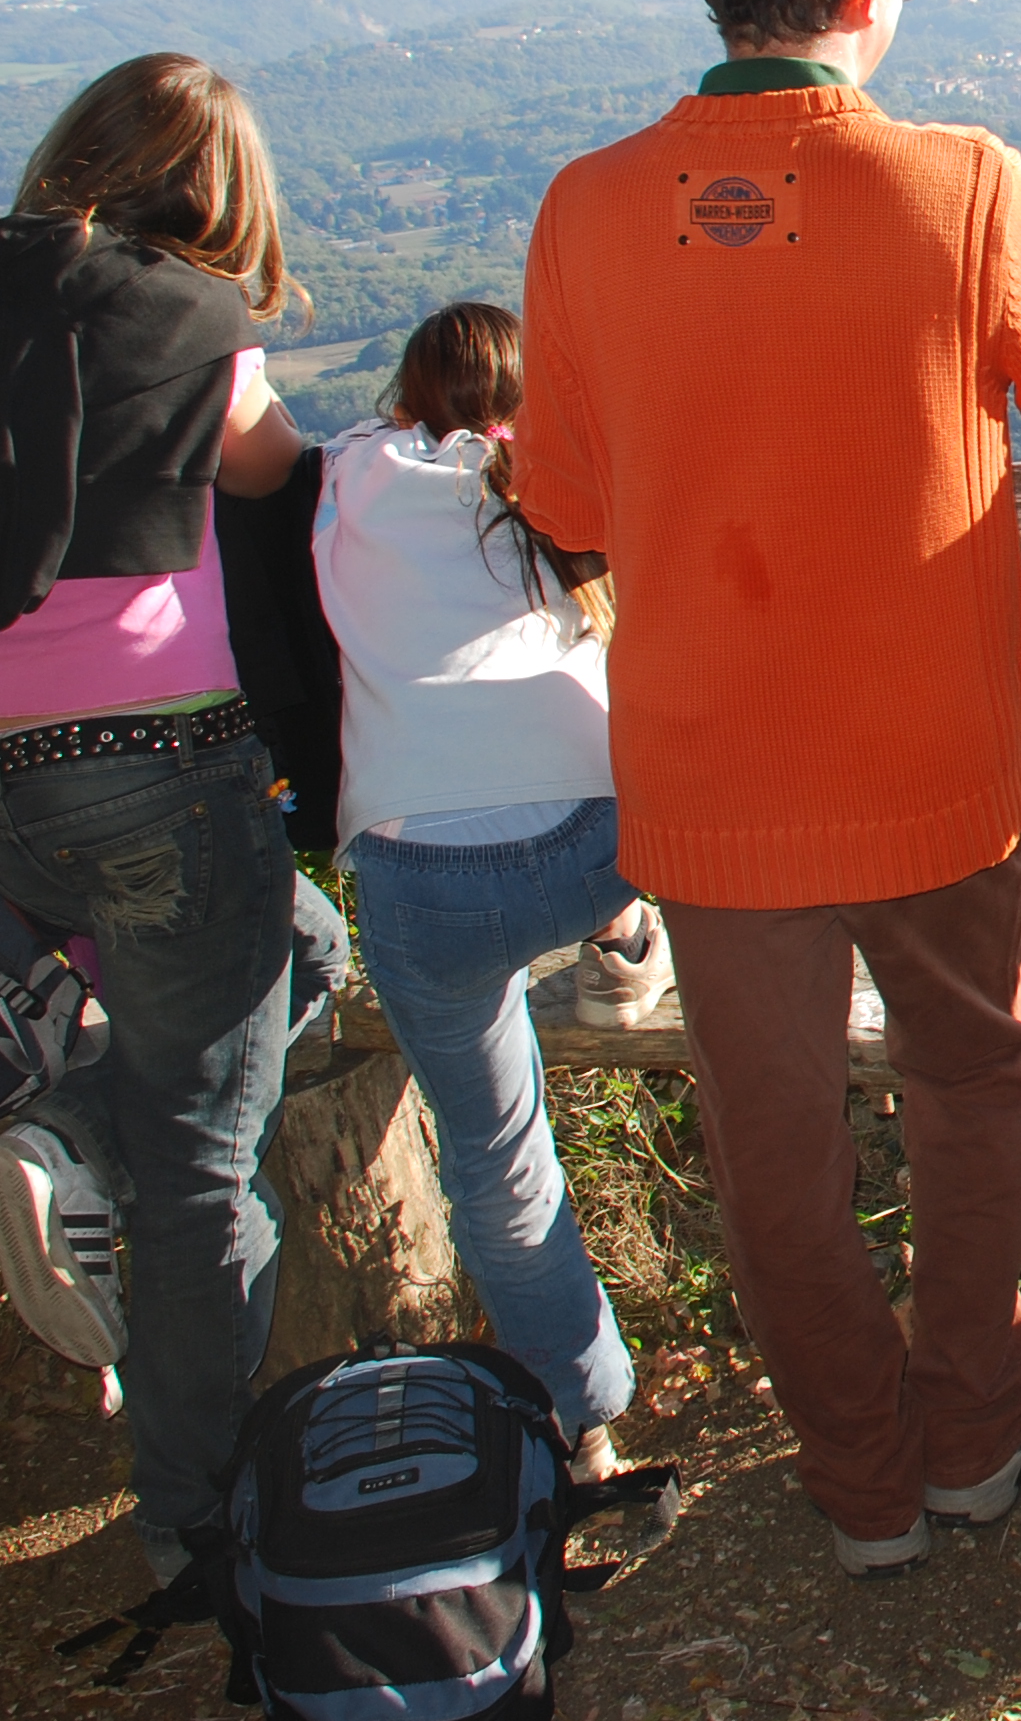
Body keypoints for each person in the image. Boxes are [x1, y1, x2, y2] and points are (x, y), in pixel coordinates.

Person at [512, 0, 1021, 1579]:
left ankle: (862, 1480)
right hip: (929, 751)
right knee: (972, 1077)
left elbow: (566, 501)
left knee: (772, 1139)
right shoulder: (958, 183)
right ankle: (976, 1424)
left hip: (710, 771)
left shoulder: (589, 209)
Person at [0, 52, 350, 1586]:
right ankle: (196, 1520)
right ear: (216, 197)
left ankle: (66, 1140)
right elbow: (287, 476)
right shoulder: (191, 326)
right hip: (157, 773)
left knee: (304, 951)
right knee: (203, 1170)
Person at [312, 301, 668, 1477]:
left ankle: (581, 1422)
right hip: (596, 839)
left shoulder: (352, 474)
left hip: (421, 877)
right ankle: (622, 942)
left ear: (405, 398)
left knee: (497, 1156)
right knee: (638, 796)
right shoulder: (555, 480)